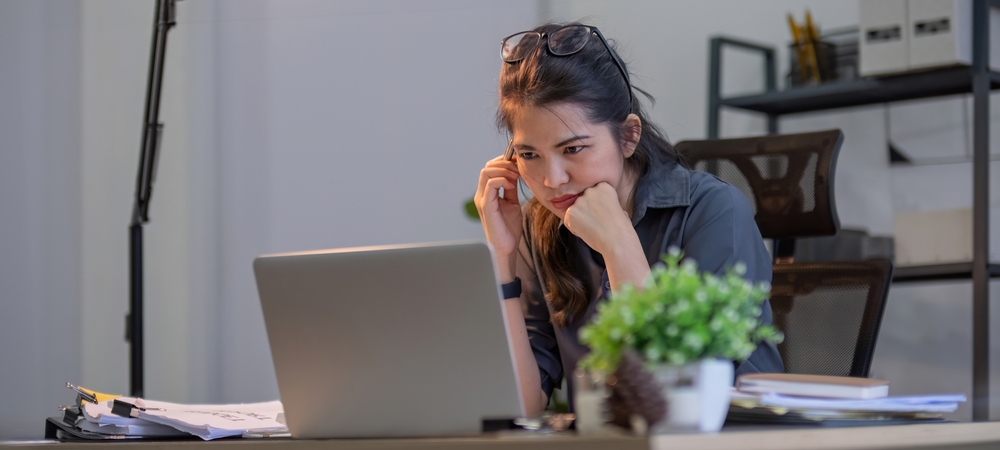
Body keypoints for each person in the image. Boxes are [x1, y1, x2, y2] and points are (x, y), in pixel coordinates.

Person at [474, 22, 783, 418]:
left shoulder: (714, 210)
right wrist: (501, 258)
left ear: (628, 137)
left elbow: (669, 401)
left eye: (573, 148)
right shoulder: (542, 225)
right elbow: (522, 405)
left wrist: (619, 245)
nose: (552, 180)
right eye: (529, 155)